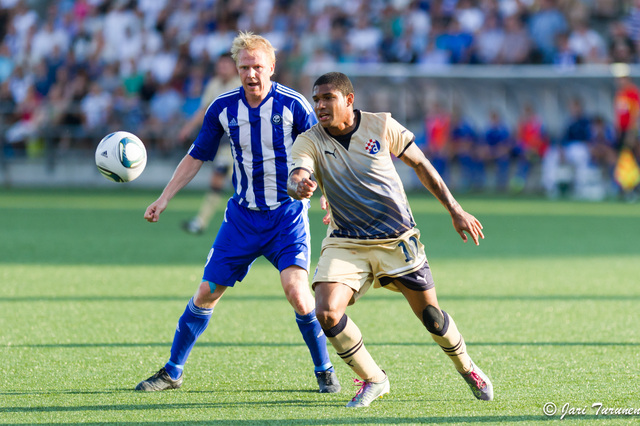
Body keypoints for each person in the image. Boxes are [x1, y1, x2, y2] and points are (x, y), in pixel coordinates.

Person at [136, 32, 340, 394]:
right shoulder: (223, 107)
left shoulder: (293, 105)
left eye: (258, 66)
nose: (251, 74)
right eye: (244, 67)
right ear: (236, 69)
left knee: (296, 291)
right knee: (206, 292)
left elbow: (322, 150)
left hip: (286, 217)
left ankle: (324, 369)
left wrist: (328, 195)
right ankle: (173, 371)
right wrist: (165, 197)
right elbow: (198, 154)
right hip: (242, 219)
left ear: (272, 67)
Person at [287, 72, 493, 408]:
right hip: (346, 241)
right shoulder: (308, 140)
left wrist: (455, 210)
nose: (320, 106)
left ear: (349, 100)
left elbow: (421, 164)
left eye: (328, 98)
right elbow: (298, 174)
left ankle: (467, 368)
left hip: (396, 240)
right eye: (316, 100)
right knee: (326, 312)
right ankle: (374, 379)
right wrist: (299, 185)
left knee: (432, 319)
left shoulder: (381, 125)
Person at [178, 53, 241, 235]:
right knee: (221, 182)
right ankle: (201, 223)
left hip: (242, 144)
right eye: (220, 65)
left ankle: (204, 223)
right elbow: (204, 109)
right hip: (224, 143)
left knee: (237, 185)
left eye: (226, 65)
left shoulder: (240, 84)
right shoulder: (214, 85)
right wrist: (188, 127)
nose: (222, 68)